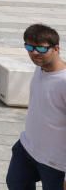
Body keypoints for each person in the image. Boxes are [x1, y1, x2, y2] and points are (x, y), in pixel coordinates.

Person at [5, 23, 66, 189]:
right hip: (27, 149)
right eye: (29, 47)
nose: (34, 53)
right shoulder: (40, 68)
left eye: (41, 49)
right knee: (15, 183)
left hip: (56, 162)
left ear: (56, 49)